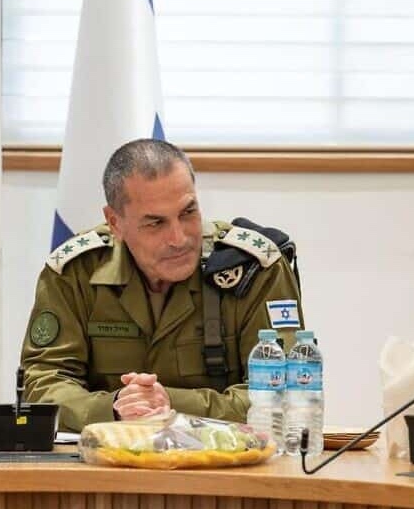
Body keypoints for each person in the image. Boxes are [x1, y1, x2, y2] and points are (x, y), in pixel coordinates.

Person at [21, 138, 305, 431]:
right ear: (115, 222)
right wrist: (114, 407)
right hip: (107, 461)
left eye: (187, 212)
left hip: (227, 463)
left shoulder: (252, 270)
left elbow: (284, 394)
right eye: (155, 223)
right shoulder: (76, 271)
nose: (179, 238)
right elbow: (44, 379)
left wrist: (170, 404)